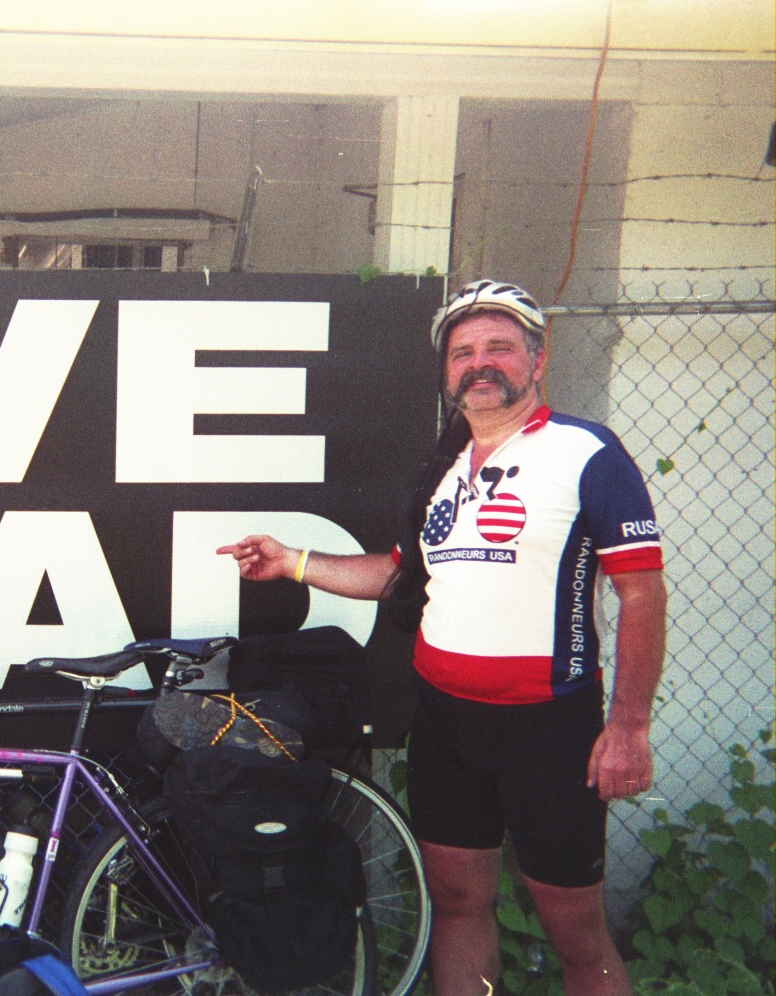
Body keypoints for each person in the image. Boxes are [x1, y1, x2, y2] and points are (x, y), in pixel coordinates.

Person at [218, 280, 666, 996]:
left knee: (575, 931)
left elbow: (640, 592)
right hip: (447, 723)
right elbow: (399, 575)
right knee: (456, 904)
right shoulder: (444, 469)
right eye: (463, 352)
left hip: (549, 728)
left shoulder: (586, 451)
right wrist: (292, 562)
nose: (479, 363)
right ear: (447, 371)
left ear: (537, 360)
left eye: (499, 347)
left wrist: (629, 726)